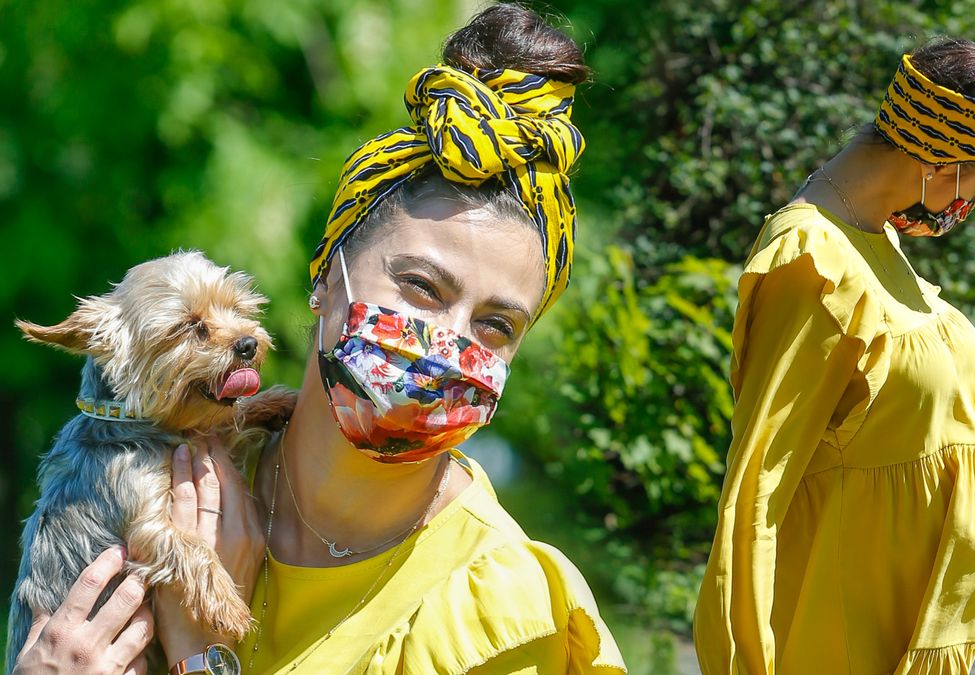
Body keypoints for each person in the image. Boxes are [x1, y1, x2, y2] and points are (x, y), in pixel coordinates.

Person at [14, 5, 627, 674]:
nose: (446, 343)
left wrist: (199, 654)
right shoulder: (197, 449)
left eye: (494, 325)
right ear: (325, 277)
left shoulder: (501, 616)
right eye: (422, 287)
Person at [693, 4, 975, 674]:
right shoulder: (809, 258)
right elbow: (757, 488)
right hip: (837, 636)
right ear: (943, 160)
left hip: (891, 630)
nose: (971, 209)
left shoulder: (876, 238)